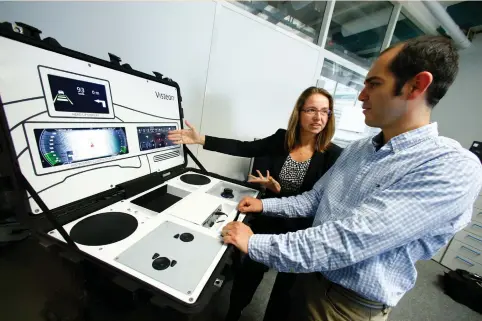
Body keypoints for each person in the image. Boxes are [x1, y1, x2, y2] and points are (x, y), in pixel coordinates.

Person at [221, 35, 482, 321]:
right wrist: (264, 206)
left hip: (344, 305)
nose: (361, 95)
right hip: (305, 273)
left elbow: (351, 239)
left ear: (415, 85)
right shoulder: (360, 148)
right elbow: (316, 199)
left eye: (374, 84)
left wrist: (256, 243)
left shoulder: (452, 166)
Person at [168, 87, 342, 320]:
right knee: (248, 277)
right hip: (266, 221)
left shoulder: (333, 155)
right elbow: (244, 147)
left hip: (298, 231)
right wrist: (200, 139)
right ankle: (233, 313)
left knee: (285, 291)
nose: (318, 118)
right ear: (299, 113)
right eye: (311, 110)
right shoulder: (282, 138)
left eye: (324, 111)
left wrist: (282, 190)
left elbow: (317, 200)